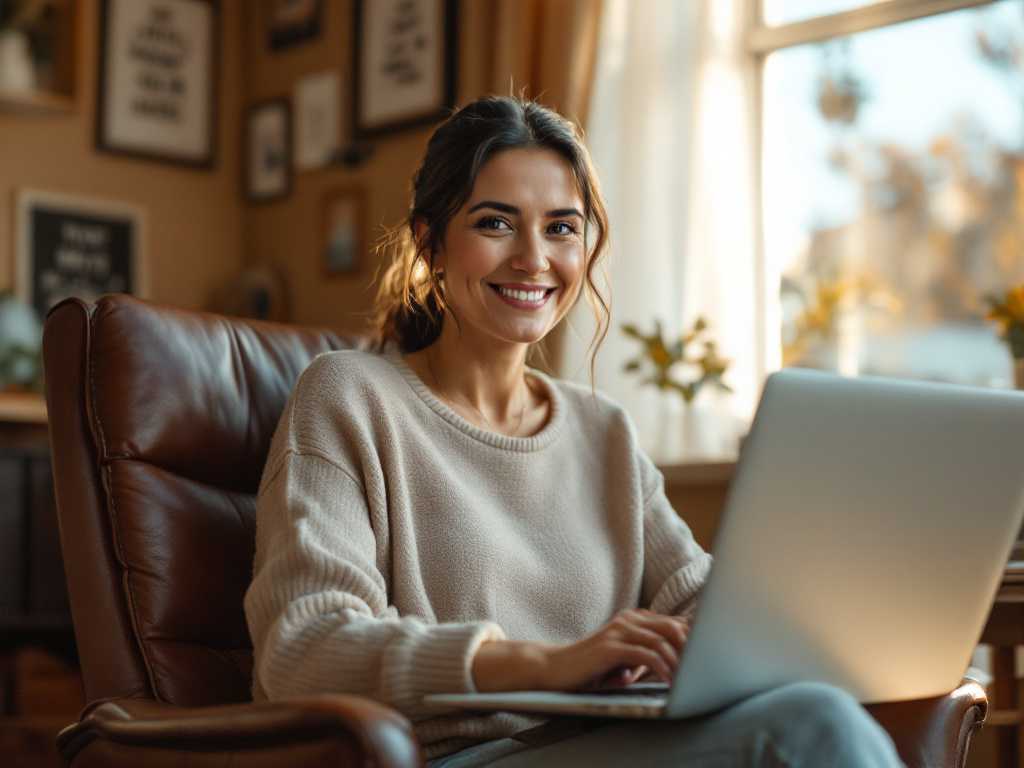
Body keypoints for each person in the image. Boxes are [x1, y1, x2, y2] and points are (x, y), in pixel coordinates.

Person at [243, 96, 905, 767]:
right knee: (809, 728)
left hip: (615, 746)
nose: (534, 259)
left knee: (817, 707)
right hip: (451, 756)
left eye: (563, 228)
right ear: (429, 242)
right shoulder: (348, 396)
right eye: (496, 223)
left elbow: (704, 600)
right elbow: (305, 646)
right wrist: (545, 663)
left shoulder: (603, 430)